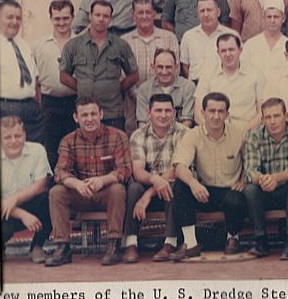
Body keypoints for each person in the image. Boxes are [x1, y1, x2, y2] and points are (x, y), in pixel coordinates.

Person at [45, 98, 131, 267]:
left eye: (93, 114)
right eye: (84, 115)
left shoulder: (118, 136)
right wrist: (76, 184)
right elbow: (60, 172)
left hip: (106, 192)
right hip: (81, 193)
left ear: (101, 114)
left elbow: (125, 170)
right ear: (76, 117)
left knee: (118, 189)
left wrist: (103, 180)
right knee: (56, 192)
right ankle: (63, 247)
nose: (89, 119)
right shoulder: (68, 140)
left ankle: (114, 245)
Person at [172, 92, 248, 260]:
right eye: (211, 111)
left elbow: (249, 161)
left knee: (236, 200)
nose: (216, 116)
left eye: (221, 111)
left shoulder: (239, 133)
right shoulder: (192, 135)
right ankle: (190, 243)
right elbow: (180, 166)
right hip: (203, 190)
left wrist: (243, 179)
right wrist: (193, 183)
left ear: (227, 114)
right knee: (181, 185)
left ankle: (233, 238)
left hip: (230, 189)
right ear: (203, 113)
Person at [60, 0, 139, 133]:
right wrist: (83, 86)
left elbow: (134, 75)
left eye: (105, 16)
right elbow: (63, 76)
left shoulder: (121, 45)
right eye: (97, 15)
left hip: (113, 112)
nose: (101, 19)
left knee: (114, 145)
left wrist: (115, 88)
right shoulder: (73, 45)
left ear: (110, 19)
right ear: (90, 16)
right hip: (85, 113)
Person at [125, 94, 186, 264]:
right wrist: (154, 181)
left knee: (173, 185)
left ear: (174, 113)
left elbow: (177, 169)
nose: (163, 115)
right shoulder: (138, 135)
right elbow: (138, 171)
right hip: (148, 183)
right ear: (149, 113)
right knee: (134, 188)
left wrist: (149, 194)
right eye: (158, 110)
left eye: (167, 111)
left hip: (170, 187)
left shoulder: (183, 133)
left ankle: (170, 242)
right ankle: (131, 242)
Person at [243, 97, 288, 259]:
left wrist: (275, 178)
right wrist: (264, 180)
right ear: (262, 119)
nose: (272, 121)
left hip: (287, 189)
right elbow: (250, 171)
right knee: (250, 189)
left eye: (277, 116)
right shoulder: (254, 136)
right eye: (268, 117)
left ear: (286, 116)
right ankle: (261, 240)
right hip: (265, 190)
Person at [0, 116, 51, 263]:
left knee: (50, 198)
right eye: (7, 137)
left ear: (25, 135)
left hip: (28, 203)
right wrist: (22, 215)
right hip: (2, 210)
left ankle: (37, 246)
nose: (14, 141)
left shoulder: (37, 150)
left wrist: (14, 199)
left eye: (18, 136)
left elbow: (41, 185)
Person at [34, 0, 78, 167]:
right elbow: (34, 79)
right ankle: (53, 181)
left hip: (75, 101)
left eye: (65, 18)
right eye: (57, 18)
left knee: (74, 146)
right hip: (49, 103)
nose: (61, 23)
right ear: (51, 18)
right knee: (51, 148)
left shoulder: (81, 43)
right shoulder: (39, 46)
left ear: (72, 17)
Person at [123, 0, 179, 124]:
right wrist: (141, 97)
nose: (144, 16)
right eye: (140, 12)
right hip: (133, 103)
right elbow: (123, 75)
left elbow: (175, 70)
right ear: (133, 15)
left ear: (154, 14)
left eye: (148, 12)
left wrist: (160, 100)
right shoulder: (125, 41)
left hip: (165, 102)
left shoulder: (169, 38)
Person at [0, 0, 43, 144]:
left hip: (31, 107)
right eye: (9, 17)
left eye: (18, 18)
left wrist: (37, 103)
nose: (15, 22)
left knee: (34, 149)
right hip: (6, 108)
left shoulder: (24, 45)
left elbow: (35, 78)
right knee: (9, 150)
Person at [197, 33, 261, 129]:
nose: (227, 54)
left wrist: (246, 131)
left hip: (247, 131)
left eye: (231, 50)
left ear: (240, 50)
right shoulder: (207, 74)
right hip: (215, 131)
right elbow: (198, 113)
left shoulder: (255, 73)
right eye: (223, 51)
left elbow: (262, 111)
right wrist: (212, 130)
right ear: (218, 52)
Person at [178, 0, 239, 84]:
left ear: (218, 12)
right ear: (197, 14)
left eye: (209, 10)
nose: (206, 14)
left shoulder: (232, 35)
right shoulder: (188, 36)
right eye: (202, 11)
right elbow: (185, 66)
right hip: (195, 85)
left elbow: (238, 63)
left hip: (223, 84)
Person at [135, 48, 196, 130]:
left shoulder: (188, 87)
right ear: (153, 67)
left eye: (168, 67)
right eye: (160, 67)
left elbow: (187, 121)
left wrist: (172, 136)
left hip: (179, 134)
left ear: (176, 66)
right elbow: (143, 122)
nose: (164, 72)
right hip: (151, 135)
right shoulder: (144, 89)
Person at [240, 0, 288, 84]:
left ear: (283, 18)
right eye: (269, 17)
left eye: (276, 17)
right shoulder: (251, 44)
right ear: (263, 18)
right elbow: (242, 71)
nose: (272, 20)